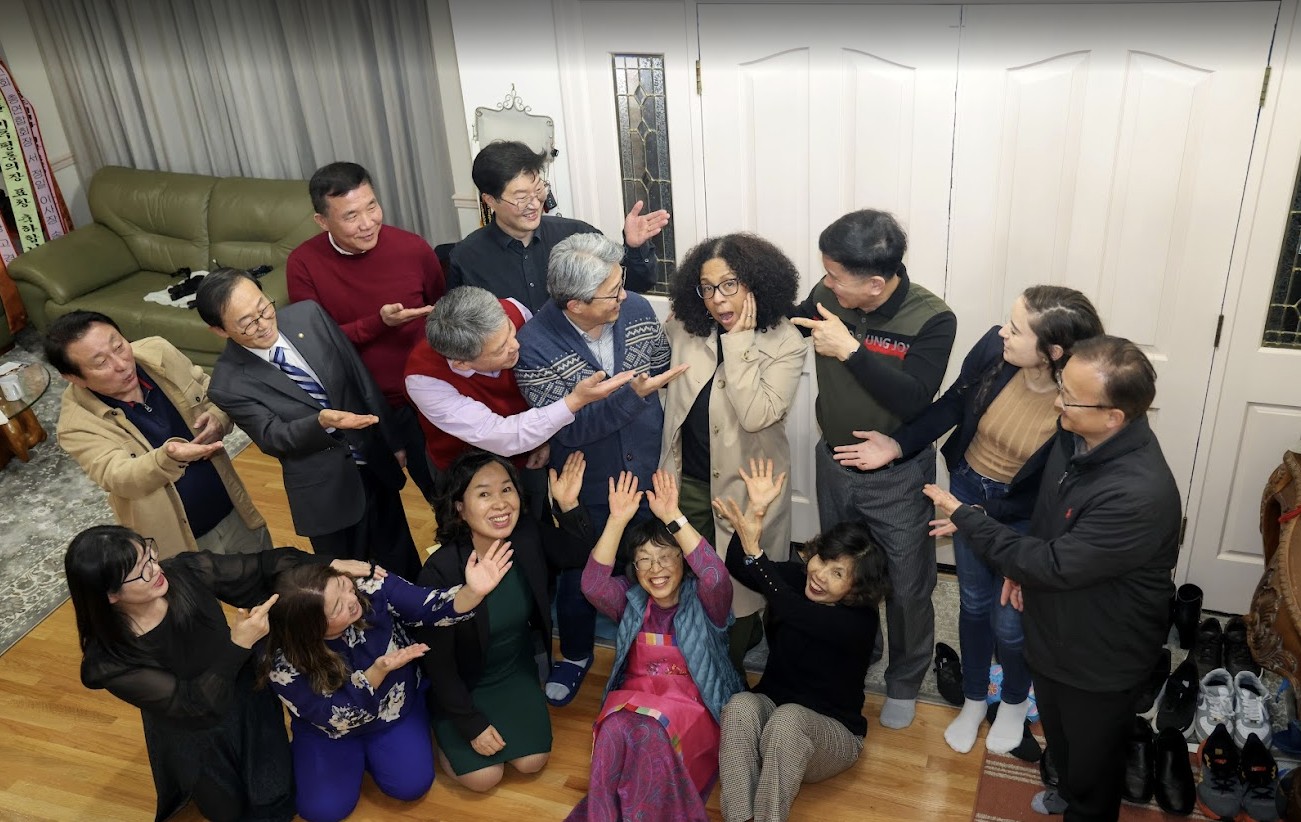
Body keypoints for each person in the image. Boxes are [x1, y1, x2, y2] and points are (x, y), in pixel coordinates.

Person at [923, 335, 1181, 821]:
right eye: (1063, 387)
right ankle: (1065, 786)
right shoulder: (1075, 436)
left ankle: (1083, 805)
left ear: (1113, 417)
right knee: (1061, 740)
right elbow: (1048, 514)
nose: (1058, 402)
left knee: (1092, 763)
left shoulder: (1137, 494)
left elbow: (1054, 564)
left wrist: (969, 518)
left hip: (1100, 653)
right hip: (1055, 624)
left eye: (1071, 397)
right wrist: (1019, 571)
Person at [846, 286, 1104, 755]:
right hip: (966, 489)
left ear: (1053, 351)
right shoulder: (992, 350)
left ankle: (1013, 702)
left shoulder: (1081, 399)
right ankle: (973, 697)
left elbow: (1063, 490)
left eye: (1016, 330)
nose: (1003, 332)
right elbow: (952, 404)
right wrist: (899, 444)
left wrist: (993, 525)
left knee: (1010, 622)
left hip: (1024, 515)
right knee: (974, 604)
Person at [64, 524, 373, 822]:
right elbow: (193, 705)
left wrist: (325, 564)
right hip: (192, 729)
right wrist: (239, 644)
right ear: (110, 595)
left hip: (246, 698)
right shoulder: (108, 661)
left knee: (275, 793)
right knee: (226, 810)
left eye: (149, 555)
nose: (156, 569)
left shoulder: (184, 571)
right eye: (141, 571)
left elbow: (260, 567)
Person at [790, 208, 956, 730]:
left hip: (898, 477)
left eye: (836, 276)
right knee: (845, 570)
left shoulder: (933, 319)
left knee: (908, 585)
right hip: (834, 464)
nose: (827, 283)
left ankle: (905, 679)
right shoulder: (829, 292)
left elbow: (915, 401)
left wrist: (852, 350)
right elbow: (790, 322)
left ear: (876, 284)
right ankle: (863, 648)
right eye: (827, 272)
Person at [514, 232, 687, 706]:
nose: (624, 296)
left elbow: (658, 366)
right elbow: (568, 429)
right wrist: (633, 396)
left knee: (654, 562)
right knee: (583, 572)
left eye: (621, 283)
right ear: (575, 303)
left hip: (649, 469)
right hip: (587, 483)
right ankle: (575, 654)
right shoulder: (534, 346)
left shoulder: (637, 311)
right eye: (612, 292)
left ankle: (652, 649)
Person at [260, 543, 512, 822]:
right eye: (337, 607)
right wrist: (377, 672)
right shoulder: (281, 660)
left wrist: (472, 591)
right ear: (311, 629)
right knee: (323, 811)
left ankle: (378, 754)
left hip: (395, 709)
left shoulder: (369, 585)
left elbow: (426, 607)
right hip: (330, 731)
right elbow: (332, 715)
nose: (351, 598)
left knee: (411, 786)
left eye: (343, 585)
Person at [198, 267, 421, 580]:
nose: (263, 324)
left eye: (263, 308)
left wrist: (391, 440)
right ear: (220, 330)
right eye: (247, 323)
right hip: (326, 492)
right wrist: (320, 422)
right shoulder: (227, 384)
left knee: (401, 555)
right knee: (347, 579)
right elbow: (273, 437)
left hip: (372, 459)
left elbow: (358, 376)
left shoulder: (309, 316)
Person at [660, 233, 805, 673]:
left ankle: (728, 670)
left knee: (740, 586)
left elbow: (757, 415)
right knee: (689, 574)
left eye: (729, 284)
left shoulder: (785, 342)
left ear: (756, 283)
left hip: (746, 488)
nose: (718, 299)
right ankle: (694, 653)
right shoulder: (684, 328)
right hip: (686, 480)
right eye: (707, 288)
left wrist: (739, 343)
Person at [713, 459, 889, 822]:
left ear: (855, 589)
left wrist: (757, 553)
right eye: (822, 559)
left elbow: (793, 611)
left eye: (837, 573)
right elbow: (739, 566)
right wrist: (755, 512)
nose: (820, 575)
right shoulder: (797, 580)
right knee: (741, 705)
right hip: (773, 715)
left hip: (832, 734)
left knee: (789, 720)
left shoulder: (859, 621)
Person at [568, 469, 746, 822]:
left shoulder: (707, 601)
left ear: (683, 560)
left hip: (692, 706)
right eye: (644, 559)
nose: (656, 569)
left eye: (666, 556)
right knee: (613, 728)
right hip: (634, 701)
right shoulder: (631, 601)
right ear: (634, 568)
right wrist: (617, 521)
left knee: (651, 732)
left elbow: (715, 575)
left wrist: (673, 516)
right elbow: (592, 585)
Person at [414, 450, 594, 791]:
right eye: (484, 494)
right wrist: (469, 723)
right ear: (459, 507)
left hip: (514, 670)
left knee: (532, 762)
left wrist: (568, 506)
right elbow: (437, 664)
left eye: (506, 489)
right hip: (463, 683)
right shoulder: (440, 572)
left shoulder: (525, 535)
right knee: (483, 778)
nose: (500, 503)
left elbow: (580, 556)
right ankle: (440, 729)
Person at [48, 310, 271, 558]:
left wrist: (219, 418)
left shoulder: (158, 352)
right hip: (181, 544)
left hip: (233, 509)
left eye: (119, 346)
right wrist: (168, 458)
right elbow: (118, 476)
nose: (122, 364)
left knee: (269, 570)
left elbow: (214, 393)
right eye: (101, 363)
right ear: (73, 377)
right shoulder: (76, 424)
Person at [287, 161, 445, 501]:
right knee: (382, 501)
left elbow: (443, 311)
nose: (367, 223)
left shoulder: (413, 248)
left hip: (427, 393)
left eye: (372, 206)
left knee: (446, 491)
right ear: (322, 221)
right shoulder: (303, 264)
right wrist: (378, 324)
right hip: (363, 406)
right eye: (351, 216)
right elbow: (314, 346)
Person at [403, 285, 633, 477]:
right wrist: (575, 401)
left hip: (532, 453)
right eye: (500, 349)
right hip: (466, 469)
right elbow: (503, 435)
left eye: (511, 331)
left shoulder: (513, 309)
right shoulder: (424, 380)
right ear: (462, 363)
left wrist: (544, 440)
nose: (516, 345)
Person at [448, 139, 670, 311]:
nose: (535, 204)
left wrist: (634, 248)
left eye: (538, 190)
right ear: (490, 200)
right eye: (521, 198)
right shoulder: (467, 257)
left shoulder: (577, 235)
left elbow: (633, 286)